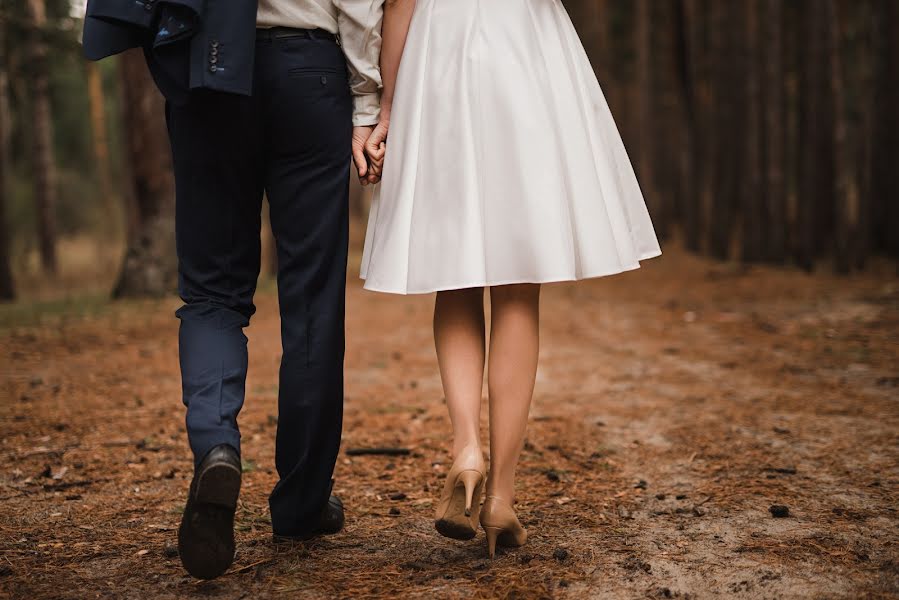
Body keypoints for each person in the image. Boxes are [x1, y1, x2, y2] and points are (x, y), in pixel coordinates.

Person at [83, 0, 385, 580]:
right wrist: (366, 102)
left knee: (212, 293)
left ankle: (217, 446)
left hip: (209, 70)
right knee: (312, 298)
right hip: (308, 72)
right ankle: (300, 502)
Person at [359, 0, 661, 558]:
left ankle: (467, 448)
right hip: (527, 47)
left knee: (454, 275)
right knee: (519, 287)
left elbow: (400, 2)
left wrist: (389, 105)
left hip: (439, 50)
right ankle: (500, 498)